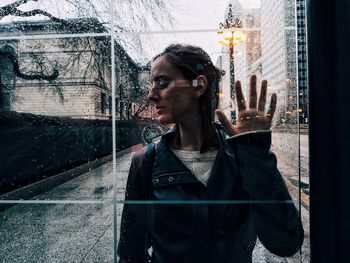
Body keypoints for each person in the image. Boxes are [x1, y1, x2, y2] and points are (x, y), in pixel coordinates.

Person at [118, 44, 304, 263]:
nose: (151, 94)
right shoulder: (147, 162)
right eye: (152, 84)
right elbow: (131, 253)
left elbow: (285, 242)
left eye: (162, 83)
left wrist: (255, 152)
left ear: (198, 87)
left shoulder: (240, 157)